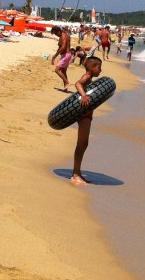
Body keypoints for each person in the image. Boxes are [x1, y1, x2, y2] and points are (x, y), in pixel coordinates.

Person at [71, 56, 103, 185]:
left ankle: (77, 172)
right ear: (91, 68)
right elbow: (78, 83)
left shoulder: (90, 78)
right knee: (82, 143)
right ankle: (75, 174)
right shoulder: (87, 77)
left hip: (88, 113)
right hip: (84, 114)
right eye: (99, 67)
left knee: (84, 143)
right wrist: (83, 95)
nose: (100, 70)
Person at [52, 27, 73, 91]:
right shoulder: (61, 36)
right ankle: (65, 88)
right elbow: (60, 47)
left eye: (56, 33)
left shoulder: (64, 35)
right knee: (63, 72)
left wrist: (54, 56)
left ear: (58, 31)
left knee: (57, 70)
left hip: (66, 55)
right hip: (66, 55)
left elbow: (63, 47)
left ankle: (67, 82)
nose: (56, 35)